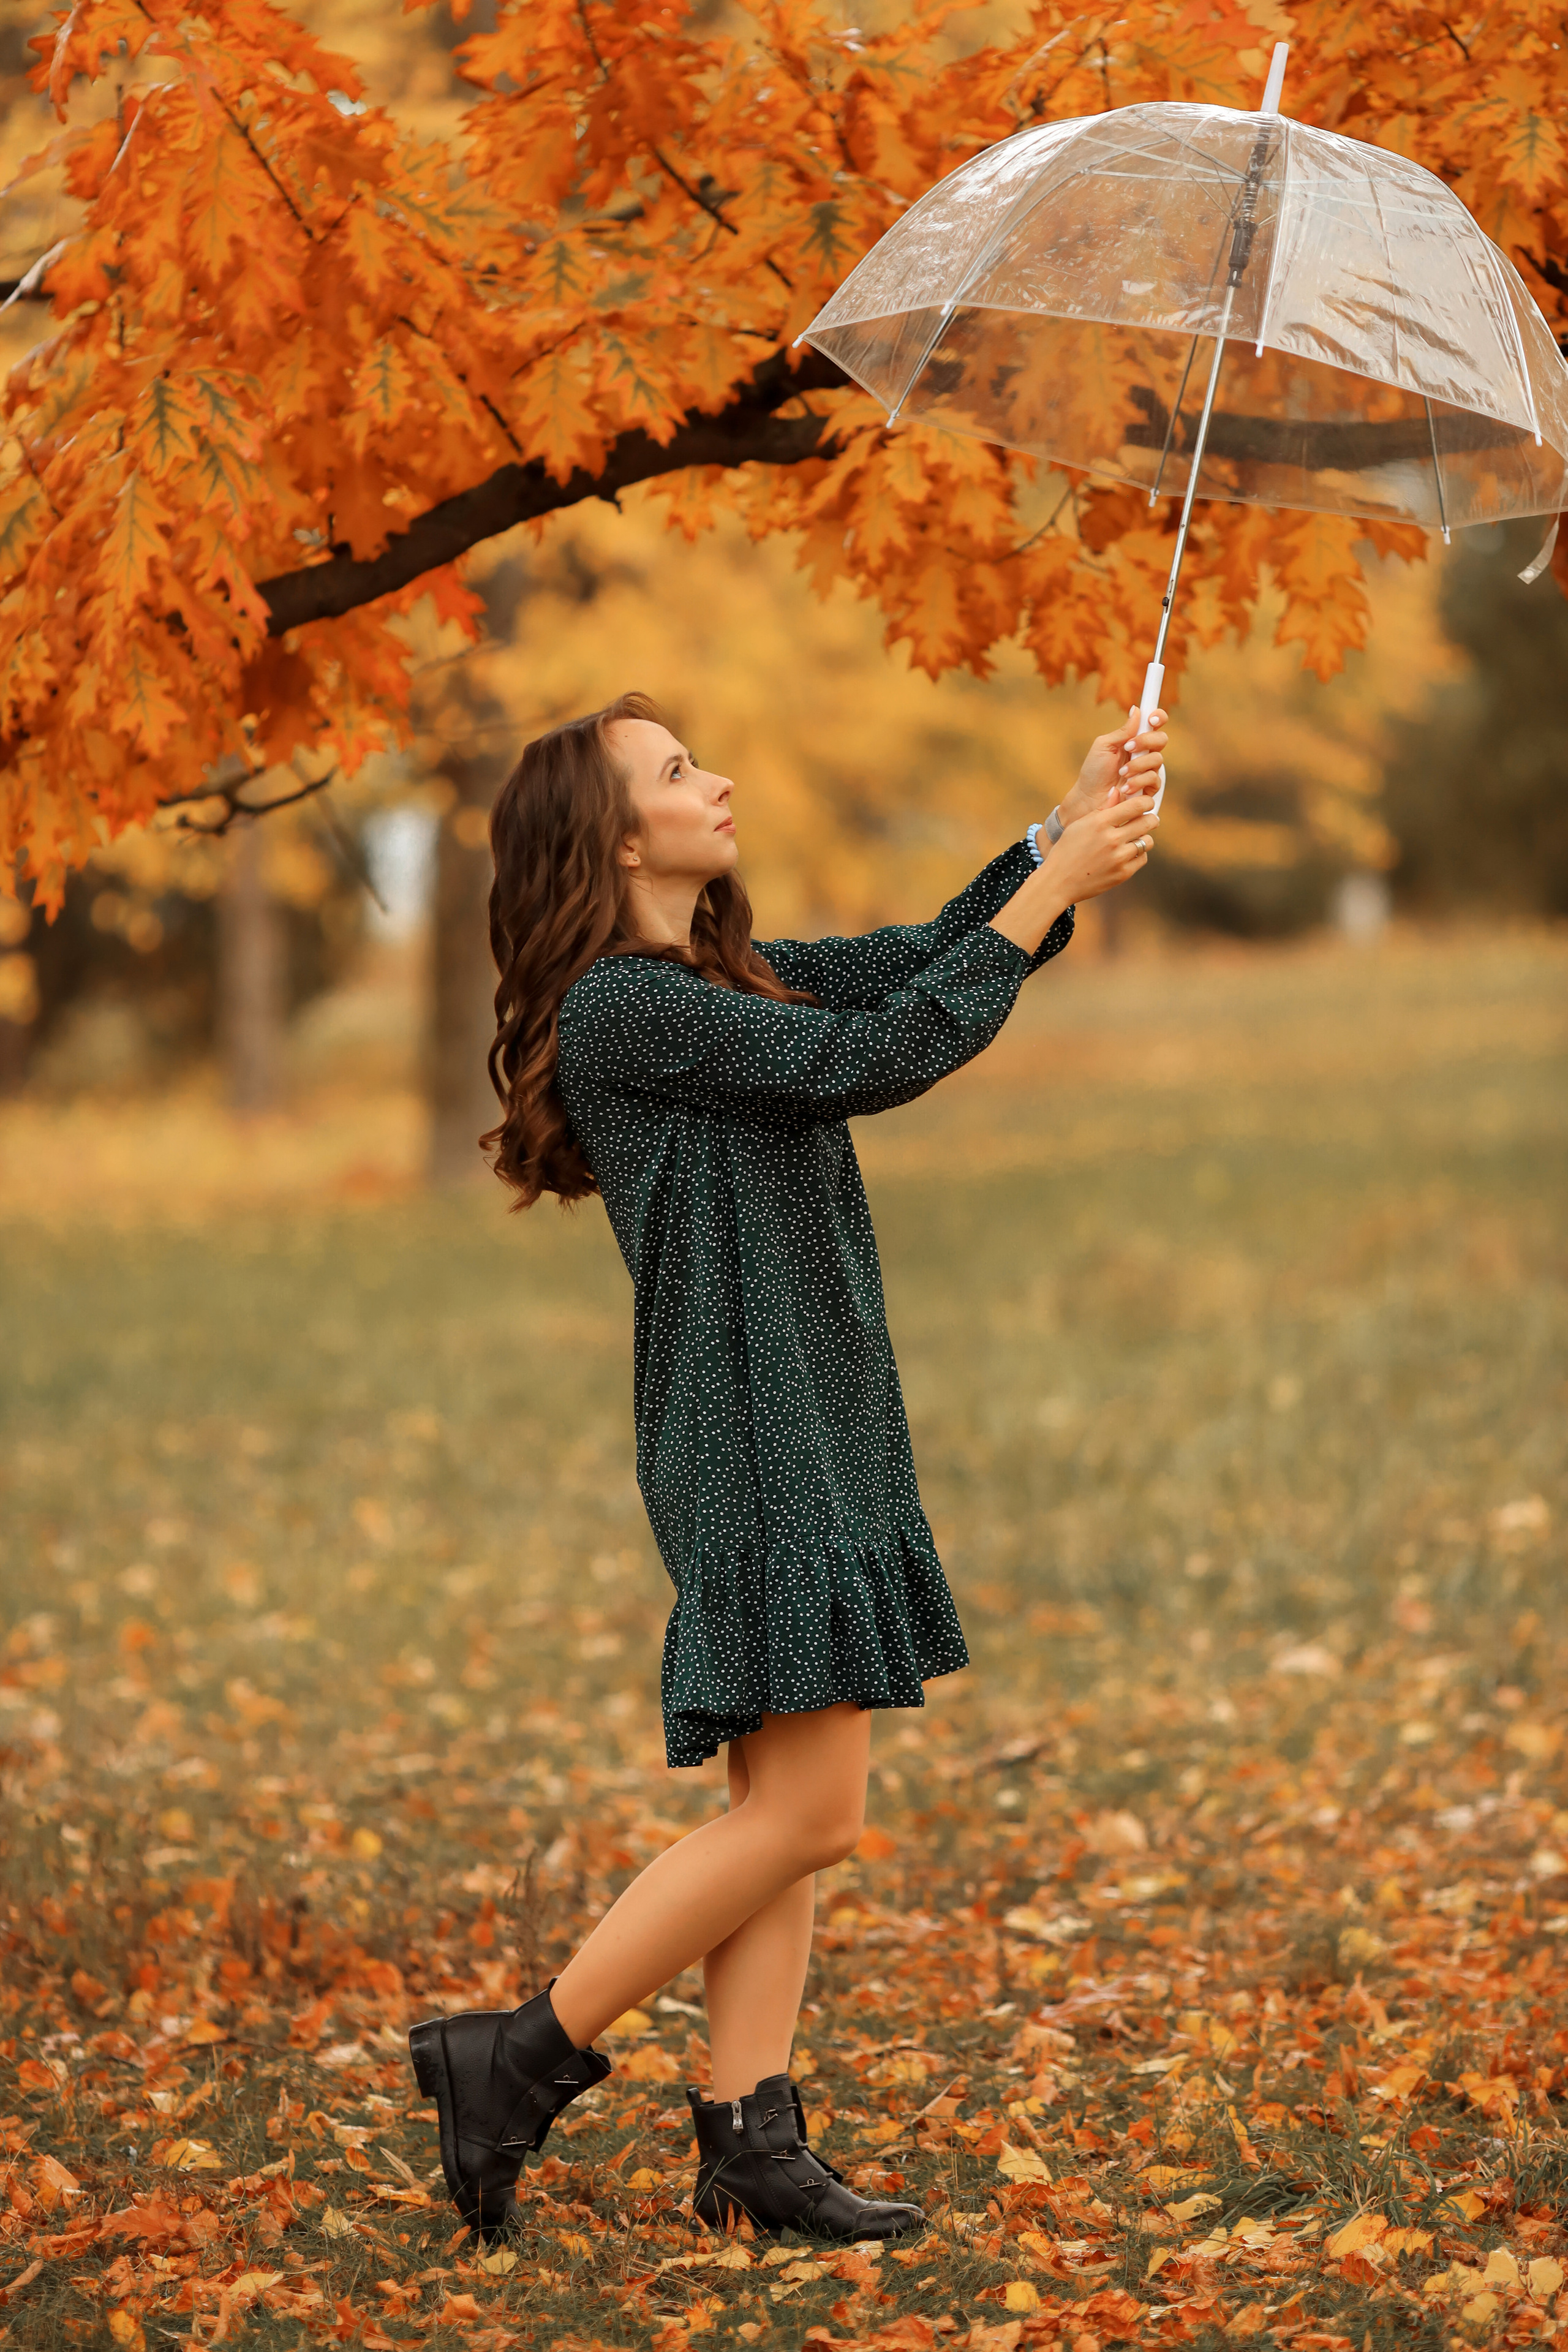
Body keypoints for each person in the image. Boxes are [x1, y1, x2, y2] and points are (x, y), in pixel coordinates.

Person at [409, 690, 1166, 2244]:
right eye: (680, 772)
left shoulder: (718, 978)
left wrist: (1051, 830)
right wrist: (1059, 885)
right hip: (754, 1424)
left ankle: (749, 2136)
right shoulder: (629, 1008)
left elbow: (908, 964)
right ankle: (519, 2055)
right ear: (615, 837)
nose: (721, 779)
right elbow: (886, 1053)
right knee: (809, 1815)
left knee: (782, 1797)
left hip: (805, 1407)